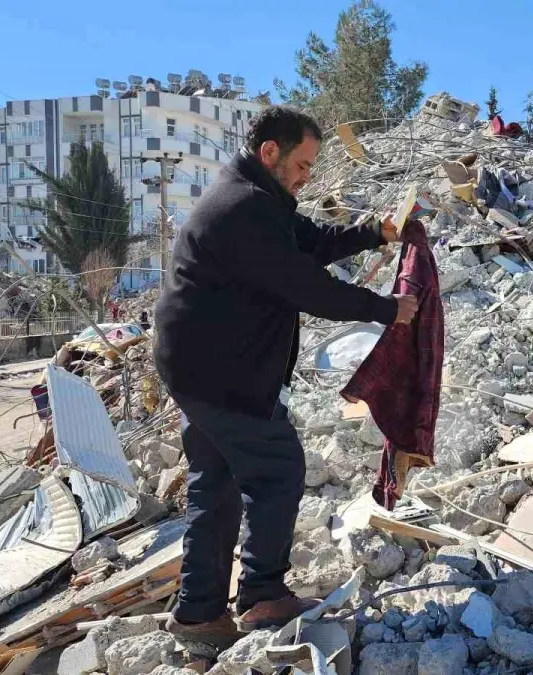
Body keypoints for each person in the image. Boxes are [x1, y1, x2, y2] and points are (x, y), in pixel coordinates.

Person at [155, 105, 418, 646]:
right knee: (278, 467)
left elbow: (312, 241)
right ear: (268, 151)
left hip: (201, 367)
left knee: (217, 485)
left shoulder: (260, 201)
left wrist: (376, 233)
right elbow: (309, 287)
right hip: (220, 374)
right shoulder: (242, 209)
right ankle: (262, 597)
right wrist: (389, 309)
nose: (306, 176)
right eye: (301, 163)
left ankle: (199, 616)